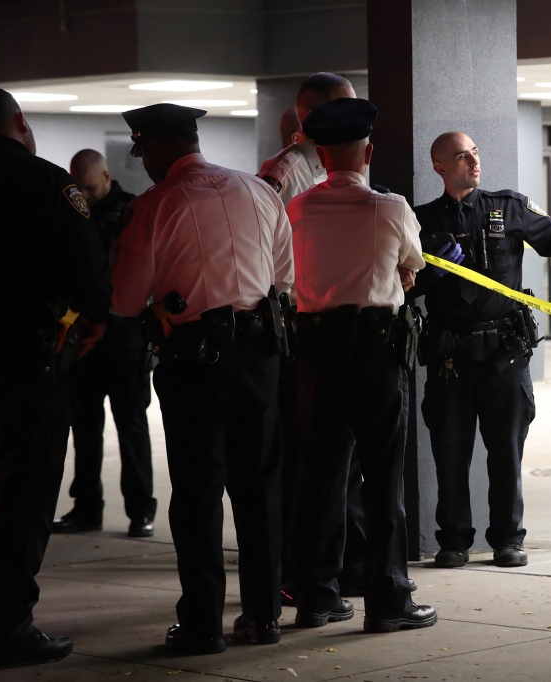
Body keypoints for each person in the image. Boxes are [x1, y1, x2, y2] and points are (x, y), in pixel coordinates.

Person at [110, 103, 294, 653]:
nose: (144, 163)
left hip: (195, 363)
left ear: (160, 148)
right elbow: (285, 277)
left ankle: (202, 625)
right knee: (260, 487)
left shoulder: (156, 205)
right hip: (261, 354)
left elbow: (124, 298)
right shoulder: (259, 192)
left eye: (144, 152)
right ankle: (263, 617)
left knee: (197, 491)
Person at [412, 132, 551, 569]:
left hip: (503, 355)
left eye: (475, 153)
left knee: (506, 451)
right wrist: (434, 274)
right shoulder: (421, 221)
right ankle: (453, 540)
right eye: (461, 156)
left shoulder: (507, 208)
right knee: (451, 454)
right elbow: (403, 287)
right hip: (452, 358)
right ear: (439, 167)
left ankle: (508, 538)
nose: (473, 161)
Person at [0, 88, 110, 667]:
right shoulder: (50, 184)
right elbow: (89, 269)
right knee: (23, 486)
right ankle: (10, 624)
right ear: (20, 122)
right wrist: (95, 318)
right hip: (26, 357)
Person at [285, 97, 435, 632]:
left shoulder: (296, 210)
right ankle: (388, 599)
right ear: (368, 151)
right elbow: (411, 267)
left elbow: (283, 279)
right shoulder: (390, 208)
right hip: (375, 356)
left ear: (321, 154)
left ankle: (316, 596)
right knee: (382, 481)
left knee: (320, 479)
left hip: (316, 355)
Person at [260, 72, 370, 603]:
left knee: (341, 465)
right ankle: (300, 574)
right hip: (301, 331)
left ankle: (345, 563)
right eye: (341, 109)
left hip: (337, 331)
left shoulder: (331, 166)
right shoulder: (286, 172)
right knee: (307, 465)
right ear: (309, 118)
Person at [53, 149, 157, 538]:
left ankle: (141, 511)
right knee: (84, 424)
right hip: (83, 332)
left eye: (90, 186)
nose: (84, 193)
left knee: (131, 425)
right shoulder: (74, 210)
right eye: (77, 186)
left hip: (125, 331)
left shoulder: (132, 211)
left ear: (108, 175)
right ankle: (86, 508)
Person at [258, 73, 356, 205]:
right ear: (316, 117)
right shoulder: (284, 176)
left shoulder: (333, 166)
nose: (354, 119)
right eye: (345, 110)